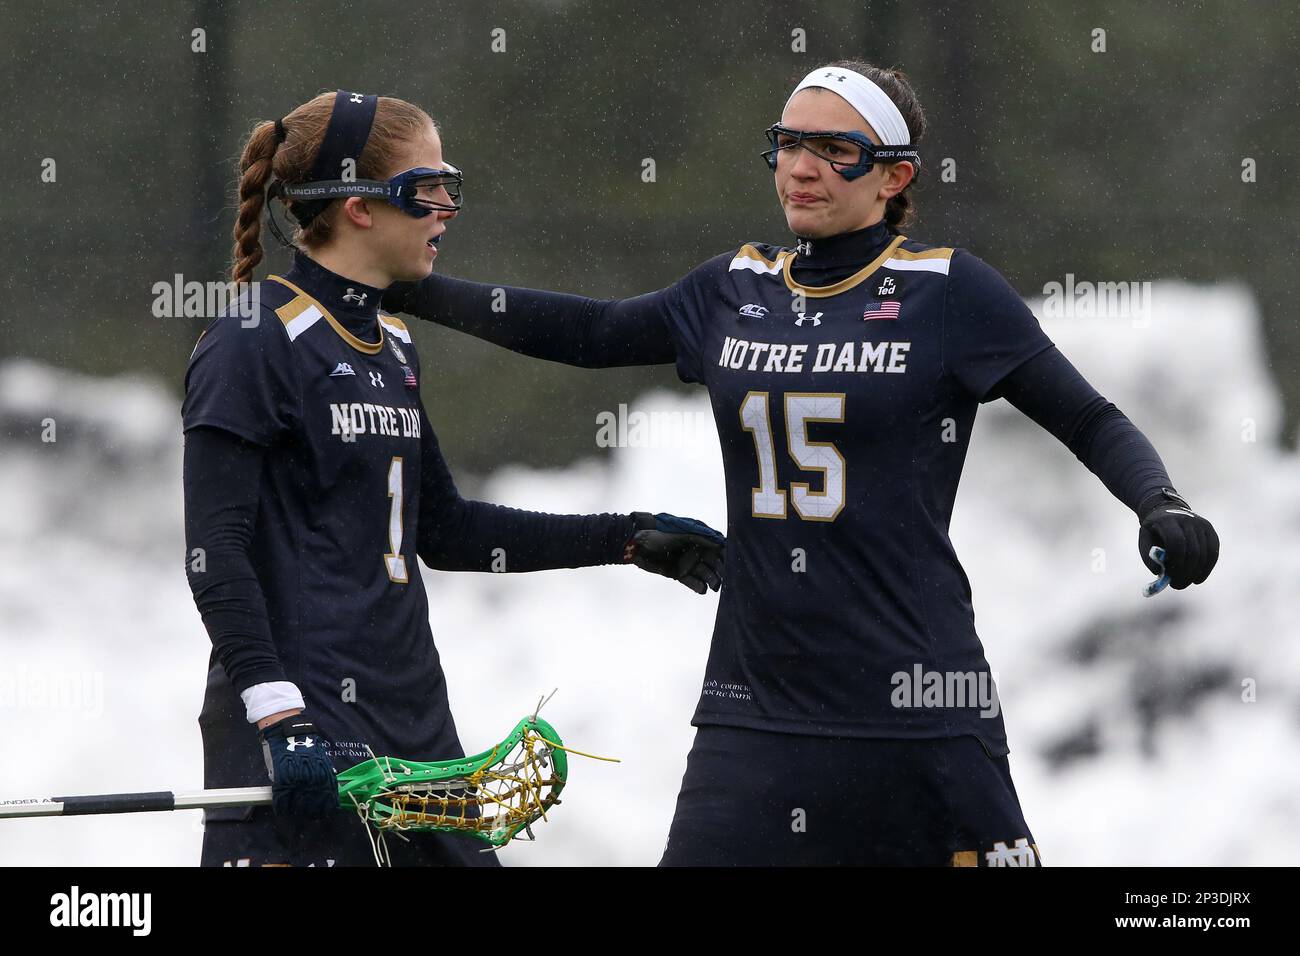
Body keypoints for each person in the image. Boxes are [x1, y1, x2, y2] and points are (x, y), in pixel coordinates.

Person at [381, 62, 1221, 866]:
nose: (803, 168)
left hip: (921, 706)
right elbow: (592, 332)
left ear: (895, 177)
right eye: (788, 143)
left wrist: (1162, 503)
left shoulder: (947, 291)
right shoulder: (732, 287)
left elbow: (1089, 417)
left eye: (836, 150)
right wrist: (407, 288)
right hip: (757, 710)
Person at [181, 90, 725, 867]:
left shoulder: (392, 345)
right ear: (359, 206)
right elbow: (215, 554)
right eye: (426, 188)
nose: (446, 209)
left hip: (414, 729)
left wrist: (627, 537)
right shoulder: (252, 339)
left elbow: (447, 529)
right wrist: (277, 716)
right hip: (304, 731)